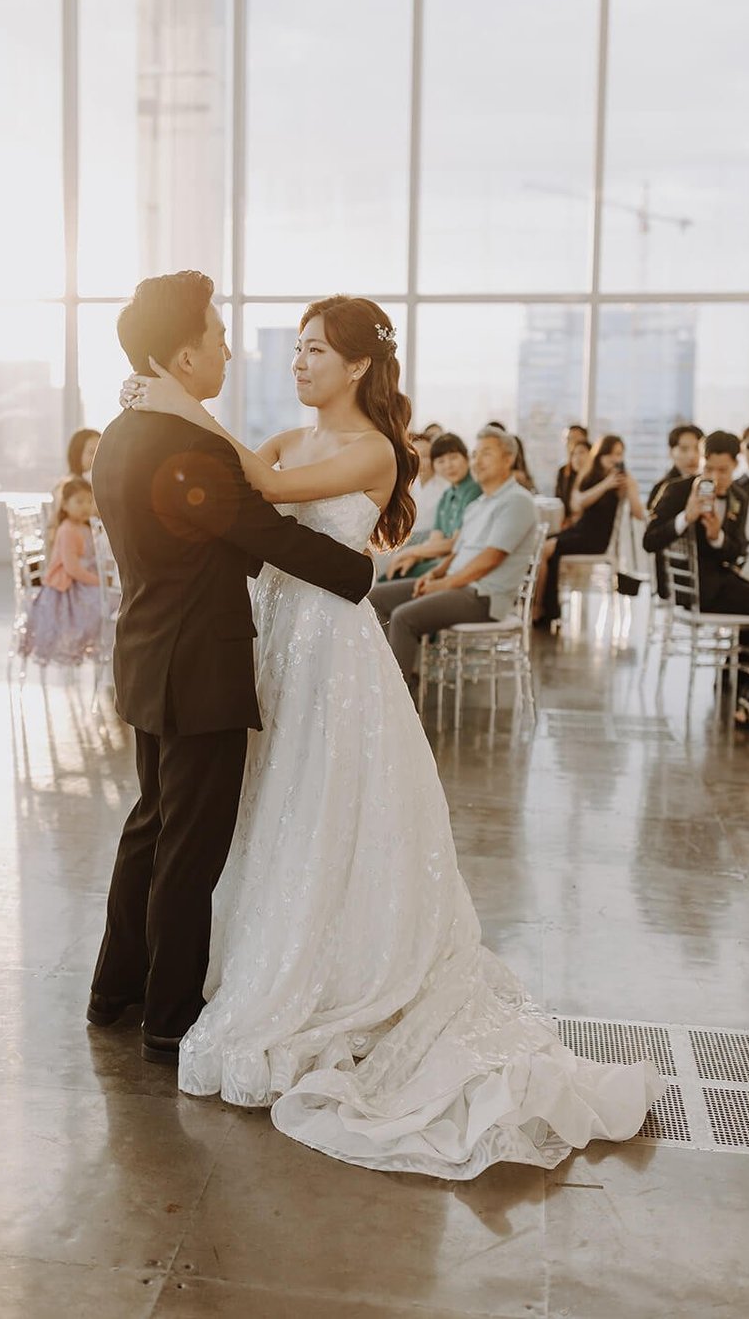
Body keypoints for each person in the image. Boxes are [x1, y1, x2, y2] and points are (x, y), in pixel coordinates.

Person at [120, 295, 661, 1180]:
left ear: (359, 366)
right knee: (263, 804)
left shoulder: (376, 449)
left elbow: (261, 487)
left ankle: (337, 966)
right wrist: (181, 413)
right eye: (293, 349)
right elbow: (249, 477)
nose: (297, 364)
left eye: (315, 351)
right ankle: (255, 953)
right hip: (272, 642)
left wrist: (174, 402)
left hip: (334, 648)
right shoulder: (290, 439)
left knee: (327, 798)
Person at [86, 272, 375, 1069]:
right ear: (184, 356)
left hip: (146, 654)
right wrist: (361, 574)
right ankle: (171, 1018)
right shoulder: (190, 446)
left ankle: (115, 990)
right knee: (189, 846)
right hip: (199, 668)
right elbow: (264, 537)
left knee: (149, 825)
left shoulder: (120, 430)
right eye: (216, 340)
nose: (225, 351)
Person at [370, 426, 539, 683]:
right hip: (458, 586)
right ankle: (384, 680)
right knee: (376, 598)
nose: (477, 461)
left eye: (487, 454)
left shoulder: (517, 501)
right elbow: (457, 552)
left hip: (484, 595)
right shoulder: (478, 504)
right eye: (475, 454)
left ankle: (396, 702)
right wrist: (436, 574)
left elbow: (490, 559)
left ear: (508, 459)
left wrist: (443, 583)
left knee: (404, 618)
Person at [643, 430, 749, 622]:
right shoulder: (677, 490)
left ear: (735, 465)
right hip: (682, 587)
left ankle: (742, 653)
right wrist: (686, 517)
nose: (714, 477)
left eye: (722, 470)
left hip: (719, 583)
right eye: (708, 469)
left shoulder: (738, 497)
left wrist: (717, 537)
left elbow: (736, 551)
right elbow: (649, 541)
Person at [534, 434, 644, 626]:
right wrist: (605, 484)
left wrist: (629, 488)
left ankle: (538, 607)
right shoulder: (591, 476)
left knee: (546, 550)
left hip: (595, 538)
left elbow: (638, 513)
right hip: (580, 530)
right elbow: (577, 504)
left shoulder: (624, 481)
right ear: (601, 455)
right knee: (540, 545)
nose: (615, 459)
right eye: (611, 454)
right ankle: (548, 608)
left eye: (619, 454)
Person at [21, 476, 103, 665]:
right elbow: (72, 569)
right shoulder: (67, 530)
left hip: (81, 582)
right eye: (79, 501)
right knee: (102, 603)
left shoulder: (85, 528)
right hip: (67, 587)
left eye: (90, 501)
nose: (85, 506)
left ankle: (100, 648)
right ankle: (94, 646)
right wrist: (99, 581)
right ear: (65, 505)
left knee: (109, 601)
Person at [381, 432, 480, 581]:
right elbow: (436, 538)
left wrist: (409, 553)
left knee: (390, 581)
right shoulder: (447, 495)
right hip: (437, 558)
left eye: (453, 458)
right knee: (392, 574)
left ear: (466, 457)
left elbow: (454, 543)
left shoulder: (473, 490)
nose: (448, 465)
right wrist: (414, 558)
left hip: (455, 564)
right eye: (441, 461)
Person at [647, 423, 703, 512]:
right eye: (684, 449)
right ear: (671, 452)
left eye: (697, 448)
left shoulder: (705, 483)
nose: (692, 456)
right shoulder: (662, 487)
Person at [52, 427, 103, 520]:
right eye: (91, 452)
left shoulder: (98, 482)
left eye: (100, 451)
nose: (97, 457)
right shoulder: (67, 486)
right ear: (78, 454)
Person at [553, 423, 589, 518]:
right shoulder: (563, 471)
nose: (572, 442)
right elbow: (558, 501)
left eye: (576, 438)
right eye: (568, 439)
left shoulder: (594, 472)